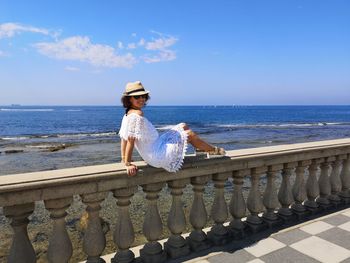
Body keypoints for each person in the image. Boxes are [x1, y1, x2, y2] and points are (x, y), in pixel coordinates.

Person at [119, 81, 226, 176]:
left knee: (183, 125)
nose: (141, 99)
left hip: (156, 146)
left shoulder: (127, 114)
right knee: (189, 134)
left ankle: (201, 148)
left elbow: (123, 138)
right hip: (156, 154)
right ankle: (212, 150)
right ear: (129, 99)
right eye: (137, 97)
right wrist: (128, 164)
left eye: (143, 96)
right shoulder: (137, 115)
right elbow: (130, 141)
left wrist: (123, 158)